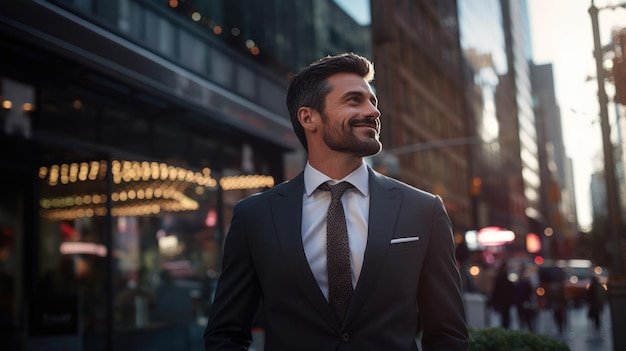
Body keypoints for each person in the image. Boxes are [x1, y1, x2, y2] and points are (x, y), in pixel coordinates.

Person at [204, 53, 469, 350]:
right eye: (354, 100)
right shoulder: (254, 216)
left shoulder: (423, 210)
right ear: (309, 118)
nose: (373, 112)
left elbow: (448, 334)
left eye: (373, 102)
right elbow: (225, 333)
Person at [491, 260, 514, 328]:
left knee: (505, 318)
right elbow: (497, 290)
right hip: (502, 301)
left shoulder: (505, 276)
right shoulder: (501, 277)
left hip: (506, 301)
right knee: (503, 318)